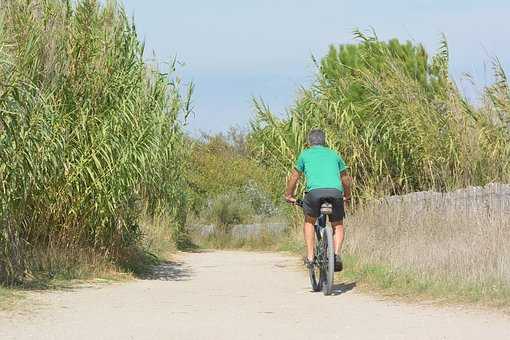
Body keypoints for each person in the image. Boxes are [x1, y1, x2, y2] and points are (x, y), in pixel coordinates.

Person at [284, 128, 351, 272]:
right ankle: (336, 255)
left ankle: (310, 257)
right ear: (324, 141)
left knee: (309, 221)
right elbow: (345, 178)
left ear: (309, 142)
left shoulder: (305, 154)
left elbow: (294, 177)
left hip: (314, 194)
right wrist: (347, 195)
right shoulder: (334, 154)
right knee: (338, 225)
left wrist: (289, 195)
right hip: (335, 193)